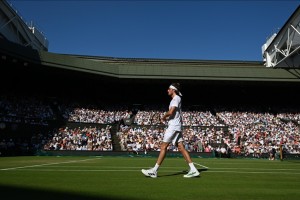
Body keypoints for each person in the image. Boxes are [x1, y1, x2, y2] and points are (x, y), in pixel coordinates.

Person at [141, 83, 200, 178]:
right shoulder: (177, 99)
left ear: (173, 90)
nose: (167, 90)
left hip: (173, 126)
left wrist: (163, 117)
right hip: (177, 126)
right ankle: (193, 169)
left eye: (169, 89)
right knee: (181, 147)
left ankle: (154, 171)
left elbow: (171, 111)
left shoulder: (175, 99)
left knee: (163, 146)